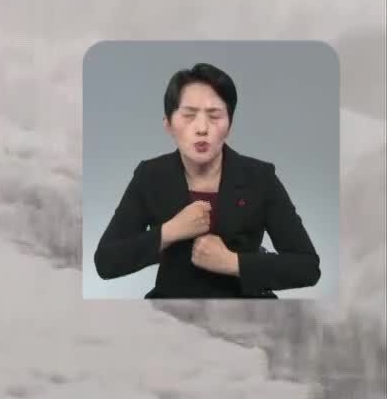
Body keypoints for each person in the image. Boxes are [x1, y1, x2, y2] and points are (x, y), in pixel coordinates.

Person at [93, 62, 320, 298]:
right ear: (168, 125)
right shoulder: (150, 176)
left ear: (229, 125)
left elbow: (307, 267)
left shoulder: (260, 178)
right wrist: (170, 231)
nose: (202, 128)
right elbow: (106, 262)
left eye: (214, 116)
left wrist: (235, 263)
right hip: (172, 311)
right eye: (189, 116)